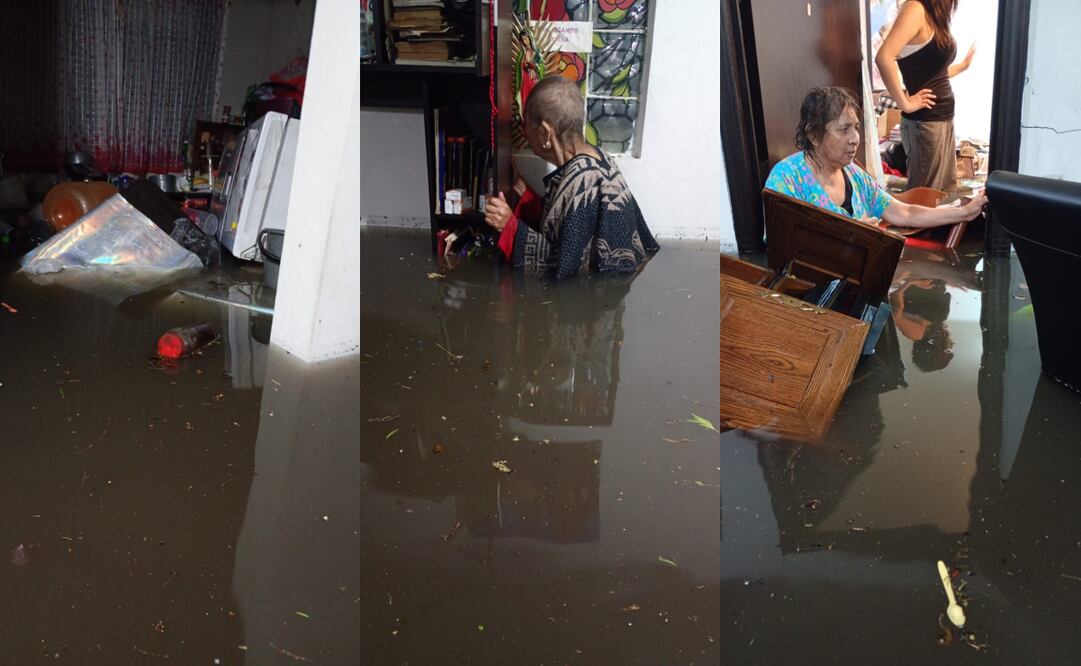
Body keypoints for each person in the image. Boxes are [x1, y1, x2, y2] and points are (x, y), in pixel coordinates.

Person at [483, 75, 658, 280]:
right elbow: (568, 230)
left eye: (527, 125)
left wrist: (509, 227)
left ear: (546, 132)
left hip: (595, 298)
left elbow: (564, 268)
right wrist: (526, 195)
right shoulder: (599, 160)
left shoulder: (582, 180)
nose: (524, 133)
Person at [765, 86, 985, 229]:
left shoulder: (855, 176)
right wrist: (845, 234)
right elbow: (782, 246)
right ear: (813, 134)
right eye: (844, 130)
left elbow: (904, 213)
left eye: (856, 128)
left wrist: (964, 213)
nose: (855, 139)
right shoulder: (787, 179)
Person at [874, 0, 976, 191]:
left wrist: (962, 67)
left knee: (944, 192)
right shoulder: (915, 9)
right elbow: (883, 57)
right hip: (925, 122)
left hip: (943, 118)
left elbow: (935, 73)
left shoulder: (934, 15)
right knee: (926, 196)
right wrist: (904, 103)